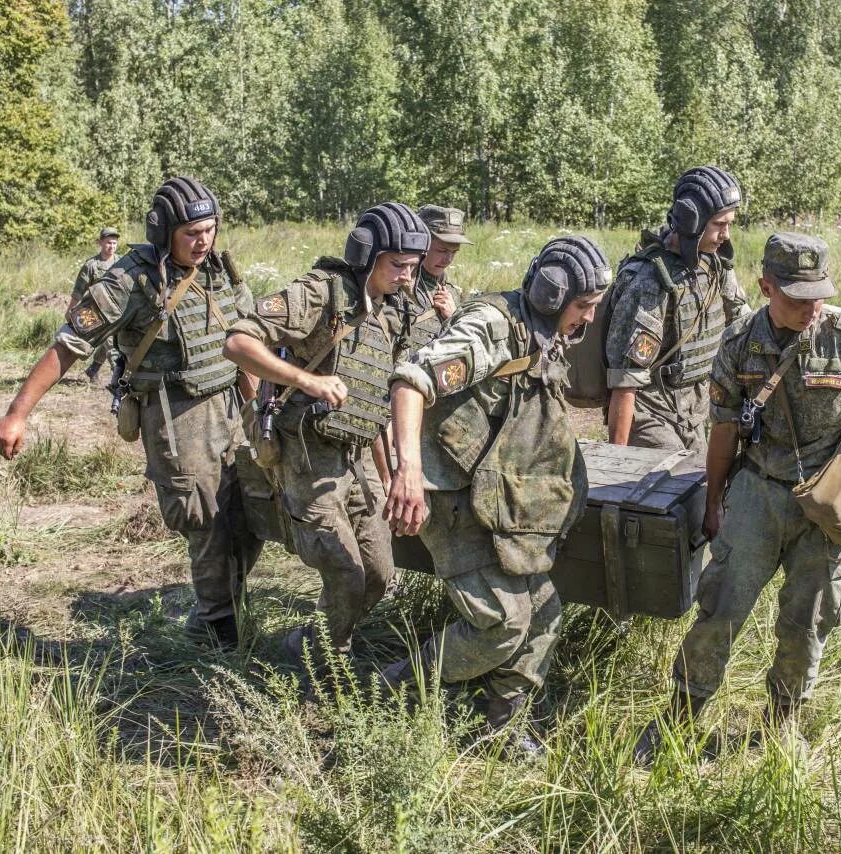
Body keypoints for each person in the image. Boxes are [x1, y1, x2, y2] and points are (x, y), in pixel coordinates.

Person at [633, 232, 841, 766]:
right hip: (759, 492)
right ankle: (680, 714)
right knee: (720, 608)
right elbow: (721, 433)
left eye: (819, 293)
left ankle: (782, 722)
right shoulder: (740, 343)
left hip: (829, 504)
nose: (813, 306)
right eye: (797, 296)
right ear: (765, 287)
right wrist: (715, 502)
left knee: (809, 618)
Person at [0, 177, 263, 650]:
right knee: (203, 518)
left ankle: (228, 605)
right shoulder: (130, 281)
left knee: (247, 512)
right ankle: (215, 627)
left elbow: (247, 335)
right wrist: (17, 414)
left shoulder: (219, 270)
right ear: (165, 232)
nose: (203, 241)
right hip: (175, 414)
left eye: (210, 229)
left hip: (231, 406)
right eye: (191, 232)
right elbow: (69, 344)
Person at [382, 236, 612, 753]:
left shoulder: (543, 330)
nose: (590, 320)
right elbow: (411, 381)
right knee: (502, 626)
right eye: (584, 307)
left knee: (545, 615)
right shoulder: (490, 328)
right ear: (554, 297)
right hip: (453, 496)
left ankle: (502, 724)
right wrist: (408, 472)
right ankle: (399, 688)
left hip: (502, 498)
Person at [223, 203, 431, 668]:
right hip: (307, 454)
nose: (406, 277)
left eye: (412, 267)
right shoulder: (320, 294)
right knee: (345, 575)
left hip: (358, 453)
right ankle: (324, 667)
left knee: (378, 574)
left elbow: (391, 387)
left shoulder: (395, 309)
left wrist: (397, 466)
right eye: (397, 265)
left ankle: (310, 641)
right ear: (366, 254)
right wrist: (305, 380)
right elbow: (237, 342)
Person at [604, 166, 750, 454]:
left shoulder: (715, 264)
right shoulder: (650, 280)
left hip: (697, 411)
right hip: (650, 412)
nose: (725, 235)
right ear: (692, 222)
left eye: (729, 224)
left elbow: (744, 324)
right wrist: (615, 462)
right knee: (670, 490)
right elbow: (625, 380)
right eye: (719, 224)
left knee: (706, 485)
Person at [402, 204, 469, 356]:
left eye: (454, 252)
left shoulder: (450, 293)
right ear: (421, 244)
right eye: (442, 250)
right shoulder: (397, 284)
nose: (448, 259)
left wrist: (453, 318)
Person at [69, 227, 122, 383]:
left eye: (114, 243)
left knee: (112, 341)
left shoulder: (121, 262)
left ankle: (94, 369)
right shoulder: (91, 265)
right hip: (97, 312)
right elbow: (79, 289)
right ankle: (119, 378)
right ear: (100, 243)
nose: (111, 246)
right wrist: (70, 310)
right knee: (111, 344)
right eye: (108, 243)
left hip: (119, 311)